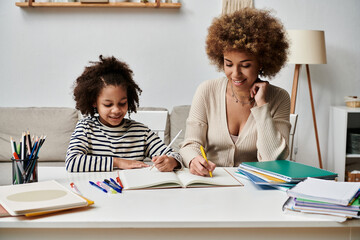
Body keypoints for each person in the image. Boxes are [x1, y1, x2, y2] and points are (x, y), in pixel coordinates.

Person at [179, 8, 291, 177]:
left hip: (254, 187)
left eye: (245, 65)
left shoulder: (279, 98)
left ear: (262, 62)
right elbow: (190, 143)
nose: (236, 74)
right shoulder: (206, 91)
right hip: (212, 182)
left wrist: (262, 106)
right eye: (228, 64)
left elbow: (273, 161)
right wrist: (194, 160)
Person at [66, 55, 182, 172]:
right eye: (108, 105)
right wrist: (118, 162)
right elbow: (72, 162)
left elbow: (175, 155)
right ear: (94, 102)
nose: (116, 110)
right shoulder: (86, 128)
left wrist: (172, 161)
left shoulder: (141, 132)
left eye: (122, 103)